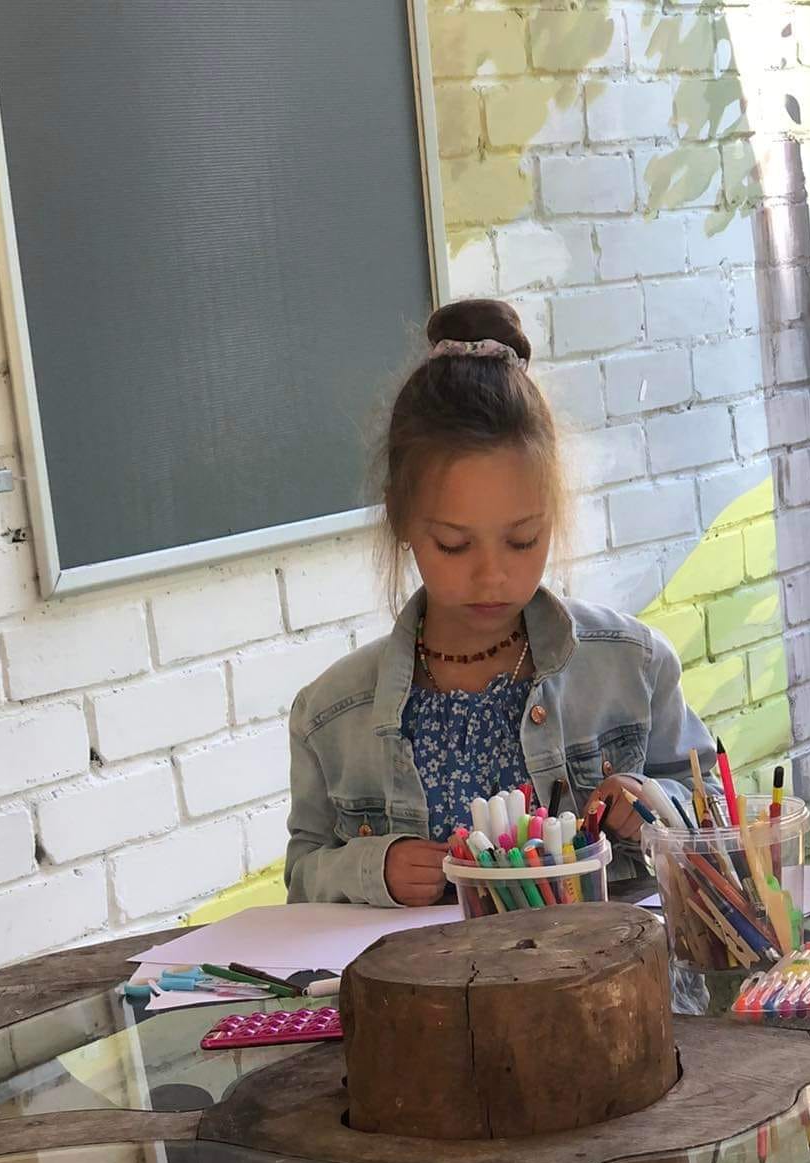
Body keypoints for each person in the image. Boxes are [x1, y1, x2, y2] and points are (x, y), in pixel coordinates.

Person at [285, 298, 717, 907]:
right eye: (454, 544)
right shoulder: (331, 715)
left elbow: (717, 811)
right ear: (401, 517)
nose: (492, 576)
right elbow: (303, 876)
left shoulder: (633, 667)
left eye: (523, 540)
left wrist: (655, 804)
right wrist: (372, 870)